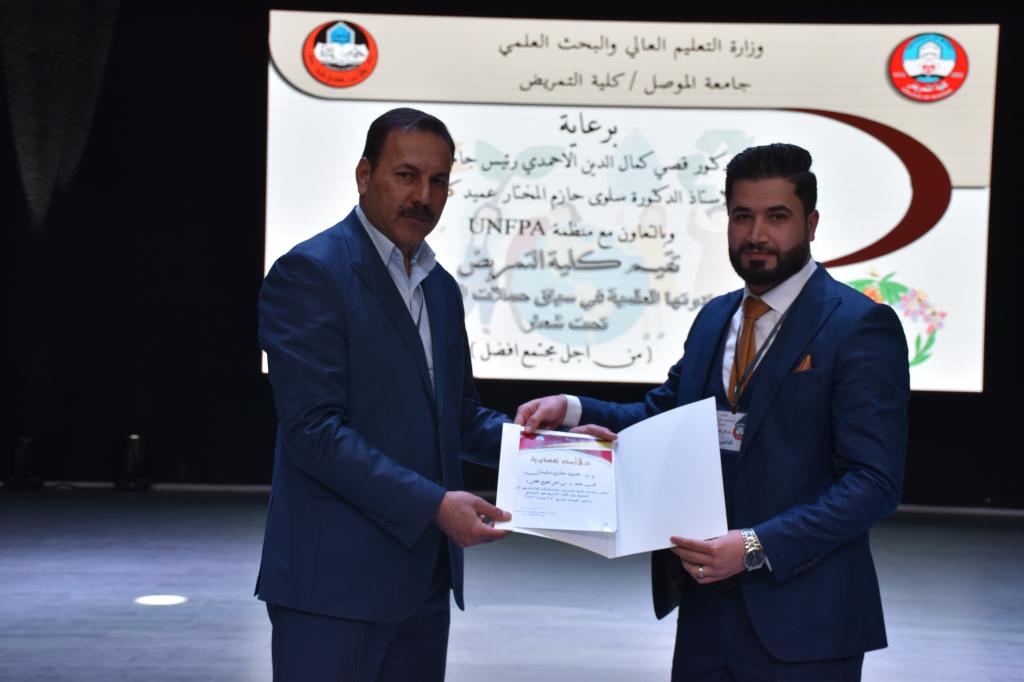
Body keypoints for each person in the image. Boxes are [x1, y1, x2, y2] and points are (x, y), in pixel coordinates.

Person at [516, 143, 909, 681]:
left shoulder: (858, 325)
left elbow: (874, 483)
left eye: (777, 217)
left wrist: (754, 547)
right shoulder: (714, 317)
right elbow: (665, 412)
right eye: (742, 216)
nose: (756, 234)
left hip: (807, 622)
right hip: (705, 611)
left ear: (812, 224)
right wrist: (572, 409)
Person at [256, 107, 511, 682]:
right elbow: (314, 433)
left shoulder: (440, 288)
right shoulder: (310, 274)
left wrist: (559, 451)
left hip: (423, 584)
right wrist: (435, 506)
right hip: (332, 589)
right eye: (406, 175)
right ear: (364, 175)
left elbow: (459, 421)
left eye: (438, 181)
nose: (423, 196)